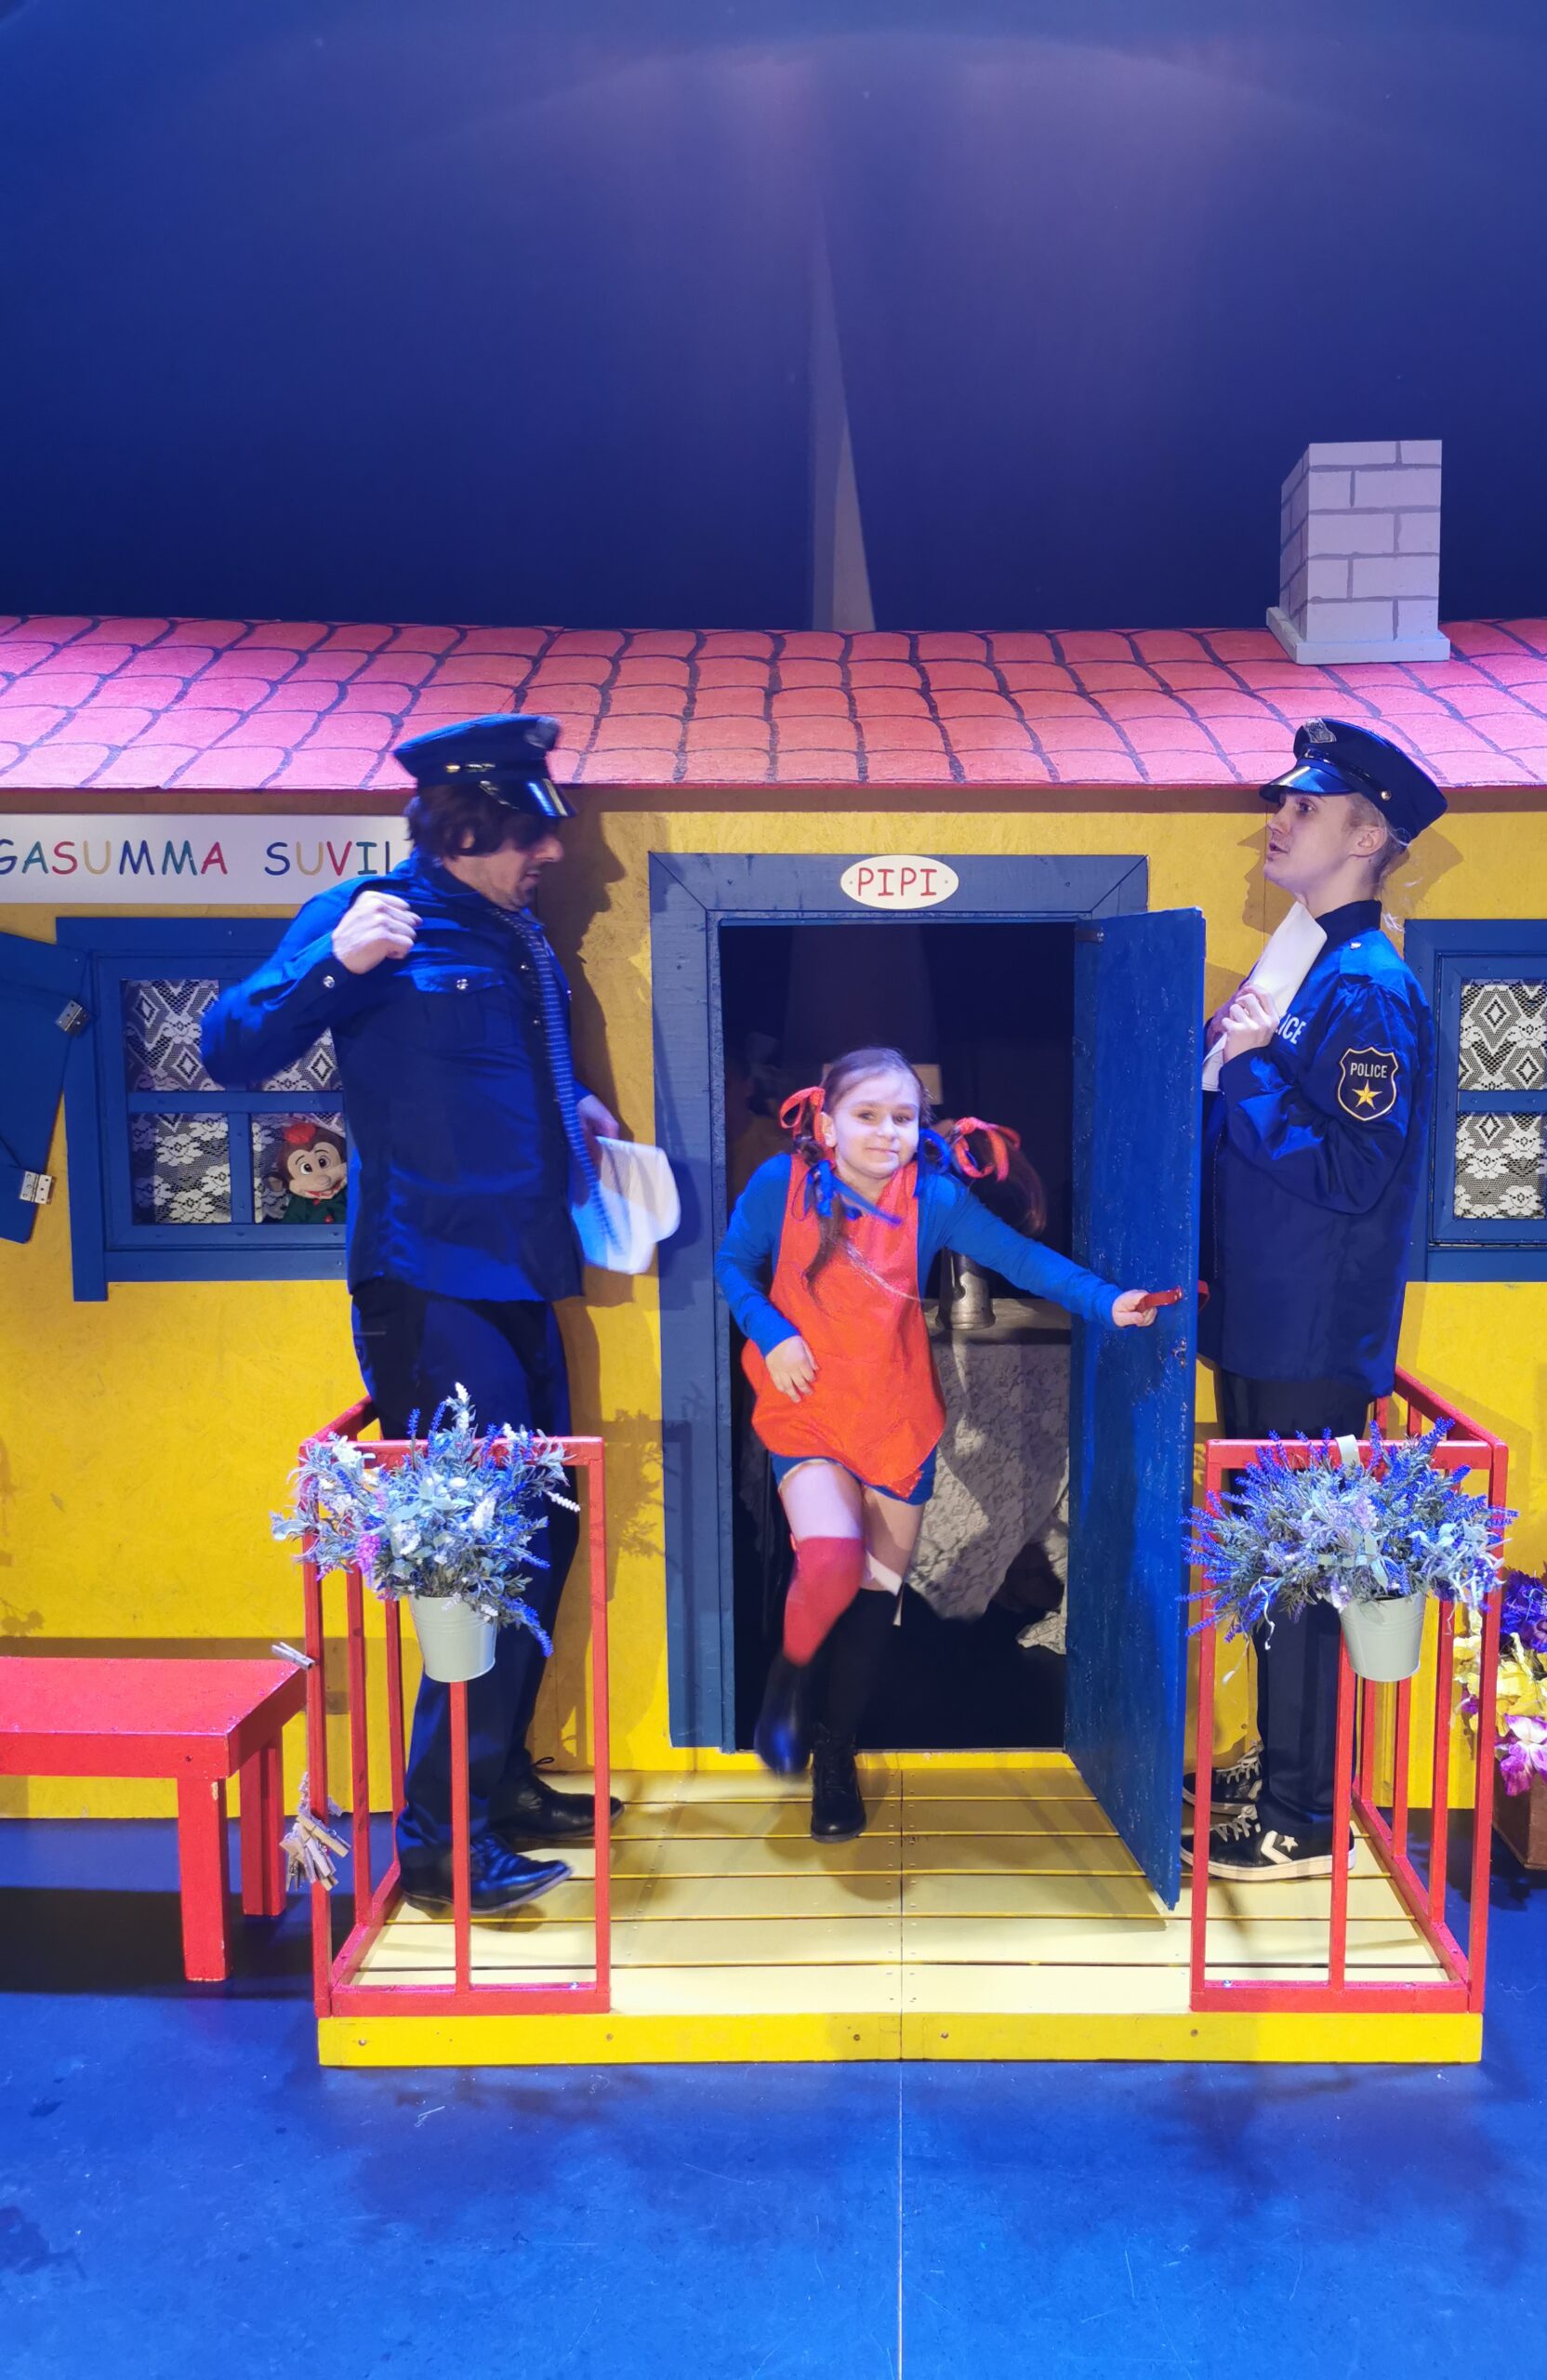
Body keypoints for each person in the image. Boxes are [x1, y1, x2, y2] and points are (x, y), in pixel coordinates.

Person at [202, 713, 622, 1917]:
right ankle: (439, 1841)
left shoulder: (515, 936)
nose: (552, 853)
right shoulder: (372, 916)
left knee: (544, 1538)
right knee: (472, 1560)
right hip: (428, 1285)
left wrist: (579, 1117)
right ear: (468, 828)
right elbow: (231, 1047)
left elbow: (502, 1078)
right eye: (531, 834)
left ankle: (495, 1783)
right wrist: (332, 965)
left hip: (521, 1277)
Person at [716, 1045, 1162, 1842]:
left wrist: (1108, 1302)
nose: (887, 1132)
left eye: (902, 1117)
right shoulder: (780, 1185)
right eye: (867, 1115)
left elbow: (1023, 1260)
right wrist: (771, 1331)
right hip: (808, 1411)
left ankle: (835, 1757)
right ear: (827, 1123)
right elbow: (733, 1266)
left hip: (897, 1420)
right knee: (830, 1559)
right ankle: (788, 1677)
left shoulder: (933, 1196)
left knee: (871, 1603)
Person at [1194, 719, 1447, 1881]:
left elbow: (1352, 1171)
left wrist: (1248, 1068)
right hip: (1264, 1319)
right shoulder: (1303, 964)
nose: (1279, 820)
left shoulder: (1369, 988)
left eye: (1306, 806)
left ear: (1366, 834)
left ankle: (1302, 1817)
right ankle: (1283, 1768)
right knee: (1271, 1569)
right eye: (1284, 802)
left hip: (1308, 1335)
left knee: (1297, 1575)